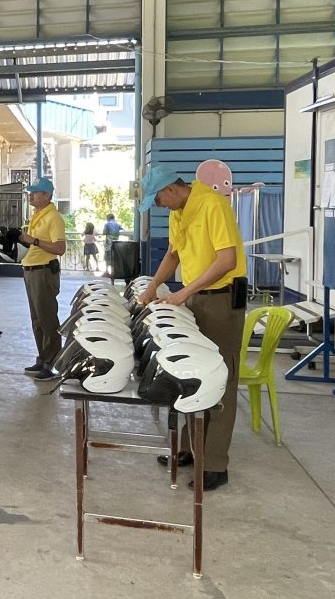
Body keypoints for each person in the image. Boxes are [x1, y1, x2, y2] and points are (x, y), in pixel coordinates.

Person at [136, 165, 246, 492]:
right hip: (196, 298)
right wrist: (152, 288)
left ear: (172, 189)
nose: (159, 206)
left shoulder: (213, 205)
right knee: (191, 372)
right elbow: (173, 255)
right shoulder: (179, 212)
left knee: (220, 377)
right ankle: (188, 447)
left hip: (221, 300)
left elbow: (226, 260)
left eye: (158, 199)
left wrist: (183, 293)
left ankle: (214, 464)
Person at [17, 178, 66, 381]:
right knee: (37, 320)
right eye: (30, 192)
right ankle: (43, 358)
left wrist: (34, 241)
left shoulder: (53, 218)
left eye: (35, 192)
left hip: (44, 272)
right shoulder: (38, 215)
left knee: (47, 319)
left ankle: (52, 364)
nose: (31, 195)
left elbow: (60, 248)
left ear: (46, 195)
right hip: (30, 270)